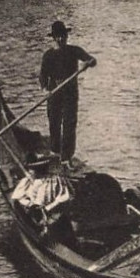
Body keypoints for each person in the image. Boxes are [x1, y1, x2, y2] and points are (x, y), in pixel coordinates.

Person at [39, 20, 96, 169]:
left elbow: (92, 60)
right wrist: (45, 90)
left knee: (69, 124)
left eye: (63, 36)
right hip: (54, 93)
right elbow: (43, 77)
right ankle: (55, 152)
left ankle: (66, 158)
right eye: (57, 37)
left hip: (70, 93)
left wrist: (87, 63)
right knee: (54, 122)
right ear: (53, 38)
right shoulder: (49, 55)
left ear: (66, 36)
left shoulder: (74, 50)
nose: (60, 39)